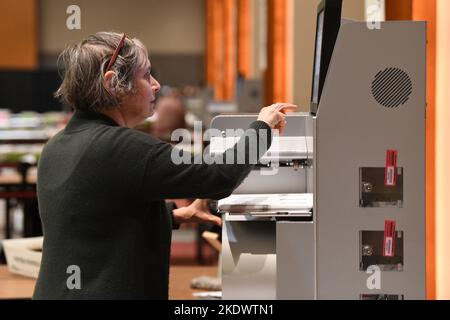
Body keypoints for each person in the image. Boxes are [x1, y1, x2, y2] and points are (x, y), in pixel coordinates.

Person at [33, 32, 296, 299]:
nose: (156, 85)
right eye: (146, 76)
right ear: (113, 84)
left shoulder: (55, 147)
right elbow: (219, 176)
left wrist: (173, 215)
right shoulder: (125, 147)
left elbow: (97, 218)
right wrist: (262, 126)